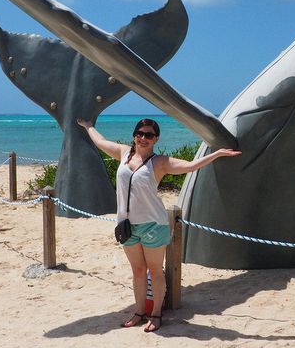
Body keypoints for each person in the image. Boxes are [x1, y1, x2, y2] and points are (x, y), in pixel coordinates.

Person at [77, 117, 241, 332]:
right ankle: (139, 311)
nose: (143, 138)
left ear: (156, 139)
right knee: (137, 271)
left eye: (149, 135)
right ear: (134, 135)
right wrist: (88, 126)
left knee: (155, 271)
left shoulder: (160, 162)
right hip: (127, 225)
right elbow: (100, 141)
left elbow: (191, 166)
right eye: (140, 133)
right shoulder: (123, 153)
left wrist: (217, 153)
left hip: (153, 225)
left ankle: (155, 314)